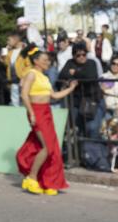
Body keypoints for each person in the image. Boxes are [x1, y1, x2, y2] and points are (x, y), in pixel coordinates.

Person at [17, 45, 77, 195]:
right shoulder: (31, 74)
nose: (48, 62)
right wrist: (31, 113)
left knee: (52, 148)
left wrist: (70, 88)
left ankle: (47, 182)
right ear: (36, 61)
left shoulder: (45, 77)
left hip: (46, 112)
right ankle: (31, 178)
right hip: (36, 111)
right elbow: (24, 95)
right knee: (46, 147)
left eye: (48, 60)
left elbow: (54, 96)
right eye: (45, 60)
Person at [100, 53, 118, 118]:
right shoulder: (103, 77)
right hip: (107, 109)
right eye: (114, 63)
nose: (115, 66)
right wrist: (102, 89)